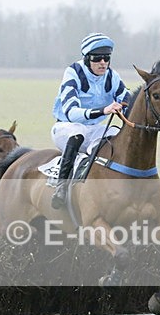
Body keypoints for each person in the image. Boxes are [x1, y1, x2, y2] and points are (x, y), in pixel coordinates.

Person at [50, 32, 131, 209]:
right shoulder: (73, 73)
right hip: (66, 127)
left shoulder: (112, 76)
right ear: (87, 59)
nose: (103, 62)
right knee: (77, 133)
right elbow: (71, 113)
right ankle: (61, 188)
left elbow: (128, 102)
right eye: (97, 58)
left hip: (94, 129)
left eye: (106, 58)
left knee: (115, 134)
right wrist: (104, 110)